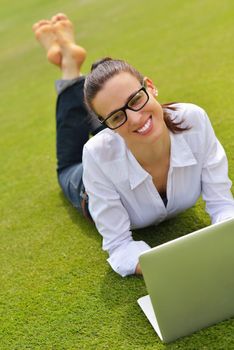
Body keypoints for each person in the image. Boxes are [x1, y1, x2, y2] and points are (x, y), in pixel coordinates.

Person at [33, 13, 234, 277]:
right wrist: (168, 270)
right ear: (104, 124)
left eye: (137, 99)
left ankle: (83, 77)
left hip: (120, 137)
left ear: (150, 86)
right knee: (70, 163)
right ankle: (70, 68)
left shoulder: (193, 120)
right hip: (91, 179)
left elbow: (223, 206)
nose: (137, 117)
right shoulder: (96, 155)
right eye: (114, 117)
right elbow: (119, 246)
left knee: (130, 121)